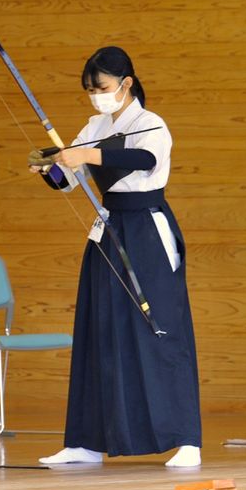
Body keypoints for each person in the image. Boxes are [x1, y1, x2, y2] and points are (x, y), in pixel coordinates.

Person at [28, 46, 202, 467]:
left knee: (159, 328)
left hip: (146, 229)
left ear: (126, 83)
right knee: (98, 329)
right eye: (89, 90)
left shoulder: (150, 123)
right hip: (109, 229)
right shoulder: (94, 124)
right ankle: (86, 440)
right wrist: (49, 168)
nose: (96, 97)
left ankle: (186, 439)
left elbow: (144, 160)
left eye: (102, 88)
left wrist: (85, 154)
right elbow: (66, 181)